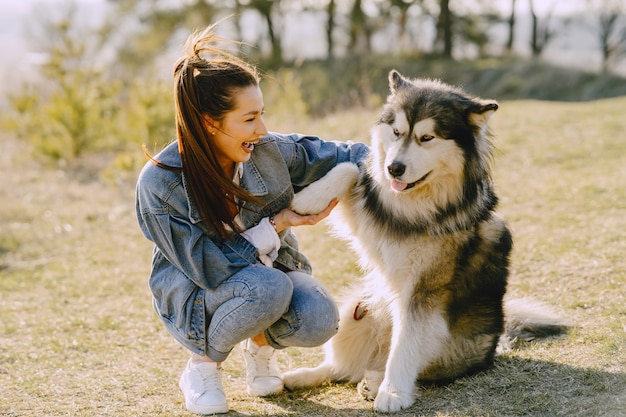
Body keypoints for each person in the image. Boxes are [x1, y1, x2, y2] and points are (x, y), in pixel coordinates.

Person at [135, 22, 368, 415]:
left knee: (320, 318)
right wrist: (278, 224)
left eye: (262, 115)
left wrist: (408, 165)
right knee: (268, 288)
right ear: (210, 123)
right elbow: (209, 268)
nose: (261, 130)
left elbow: (348, 154)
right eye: (249, 119)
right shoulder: (160, 185)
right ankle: (202, 369)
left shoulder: (269, 151)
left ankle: (259, 352)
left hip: (267, 276)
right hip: (197, 295)